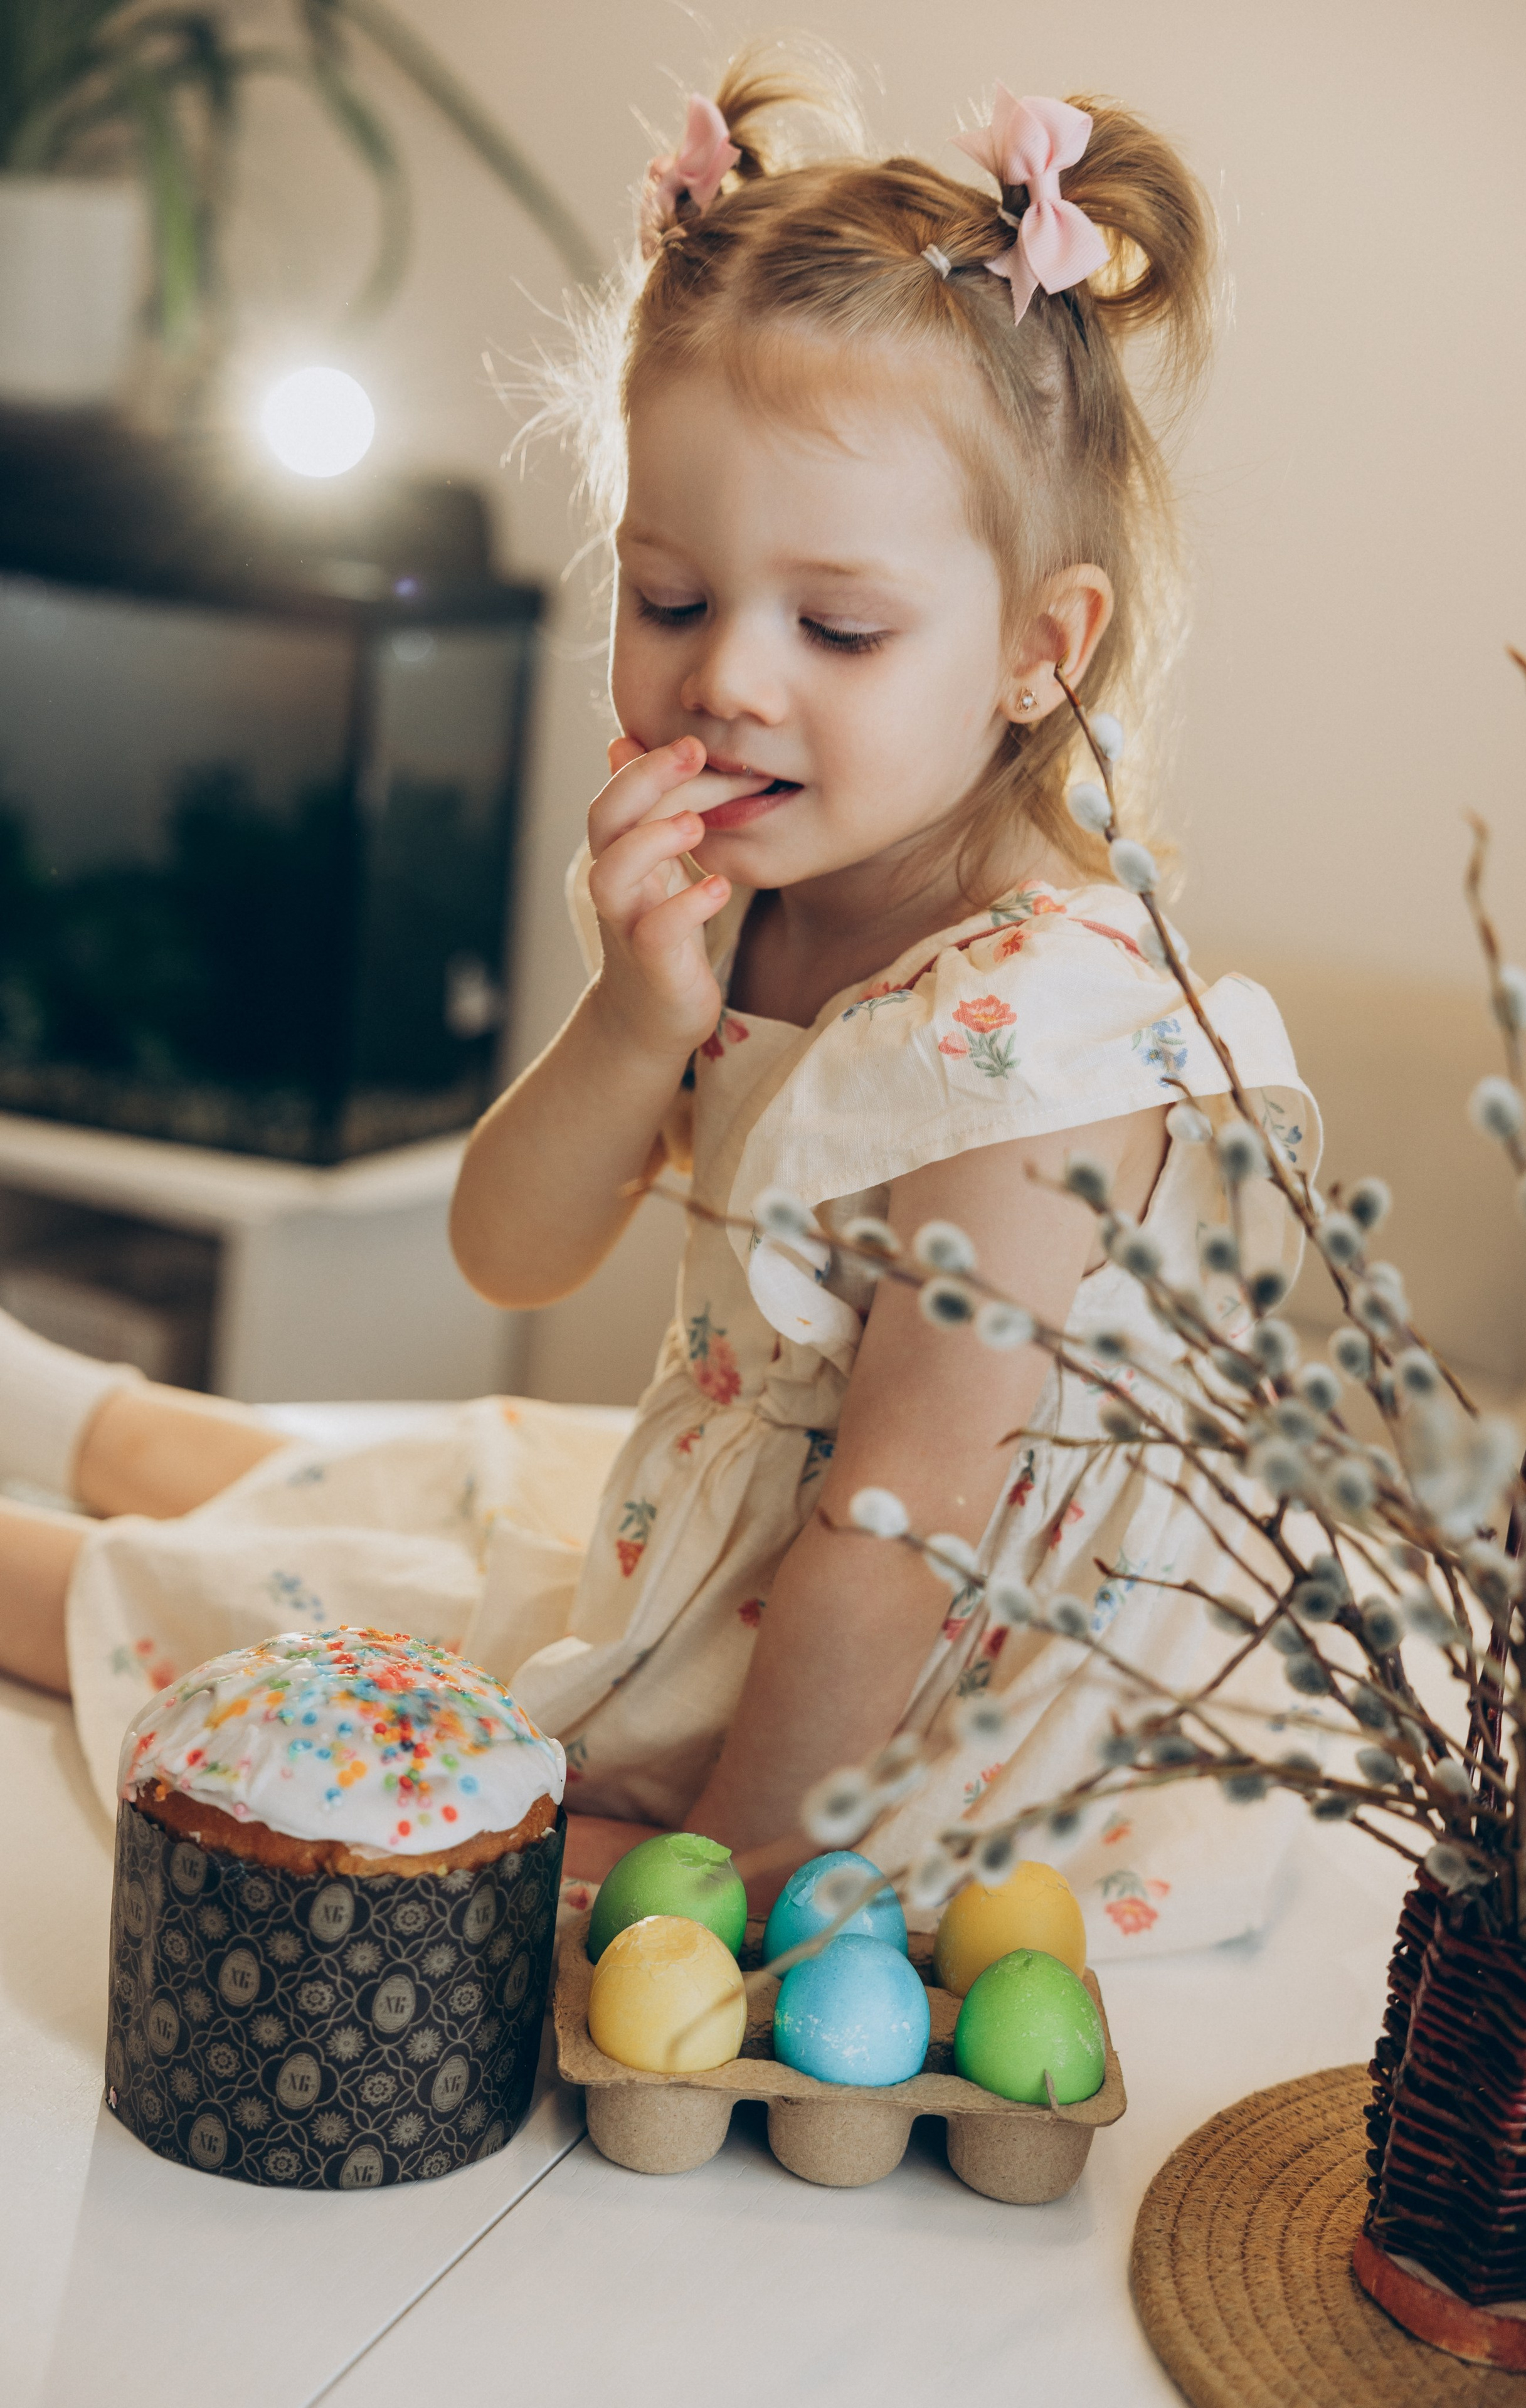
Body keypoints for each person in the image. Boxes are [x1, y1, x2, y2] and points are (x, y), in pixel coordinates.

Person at [0, 60, 1317, 1950]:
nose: (732, 685)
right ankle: (59, 1401)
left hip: (917, 1689)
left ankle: (37, 1548)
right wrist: (633, 1016)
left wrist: (745, 1866)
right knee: (461, 1473)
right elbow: (510, 1253)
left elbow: (894, 1524)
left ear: (1042, 651)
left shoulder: (1046, 1050)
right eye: (676, 598)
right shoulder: (743, 890)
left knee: (342, 1632)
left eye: (838, 630)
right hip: (727, 1520)